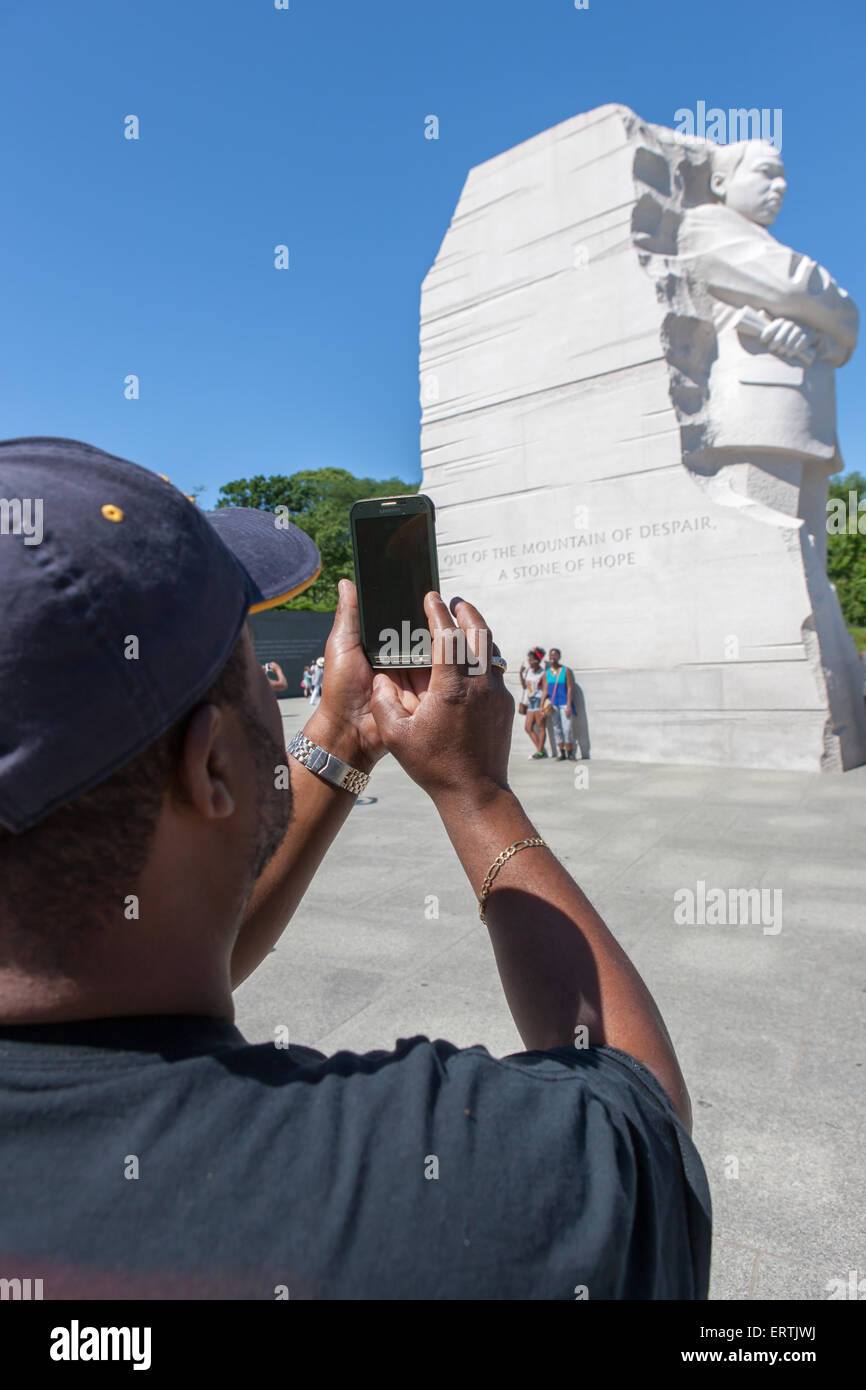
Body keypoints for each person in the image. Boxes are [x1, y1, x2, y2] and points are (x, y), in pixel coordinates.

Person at [0, 438, 710, 1299]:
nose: (274, 683)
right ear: (213, 769)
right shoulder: (413, 1188)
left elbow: (131, 956)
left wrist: (341, 734)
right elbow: (648, 1135)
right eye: (245, 653)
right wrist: (478, 796)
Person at [544, 647, 575, 760]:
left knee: (567, 729)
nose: (552, 657)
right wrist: (542, 705)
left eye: (555, 655)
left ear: (559, 657)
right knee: (556, 729)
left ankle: (570, 753)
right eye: (551, 655)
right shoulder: (547, 673)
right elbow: (546, 690)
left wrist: (568, 705)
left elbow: (570, 687)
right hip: (553, 705)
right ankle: (562, 753)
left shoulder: (565, 670)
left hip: (564, 704)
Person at [518, 647, 548, 758]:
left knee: (541, 727)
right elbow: (524, 686)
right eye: (529, 659)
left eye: (531, 659)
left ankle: (540, 752)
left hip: (539, 701)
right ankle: (541, 751)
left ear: (537, 660)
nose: (529, 661)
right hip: (531, 702)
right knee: (528, 727)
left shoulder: (542, 673)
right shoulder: (529, 671)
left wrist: (542, 706)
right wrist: (520, 674)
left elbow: (545, 689)